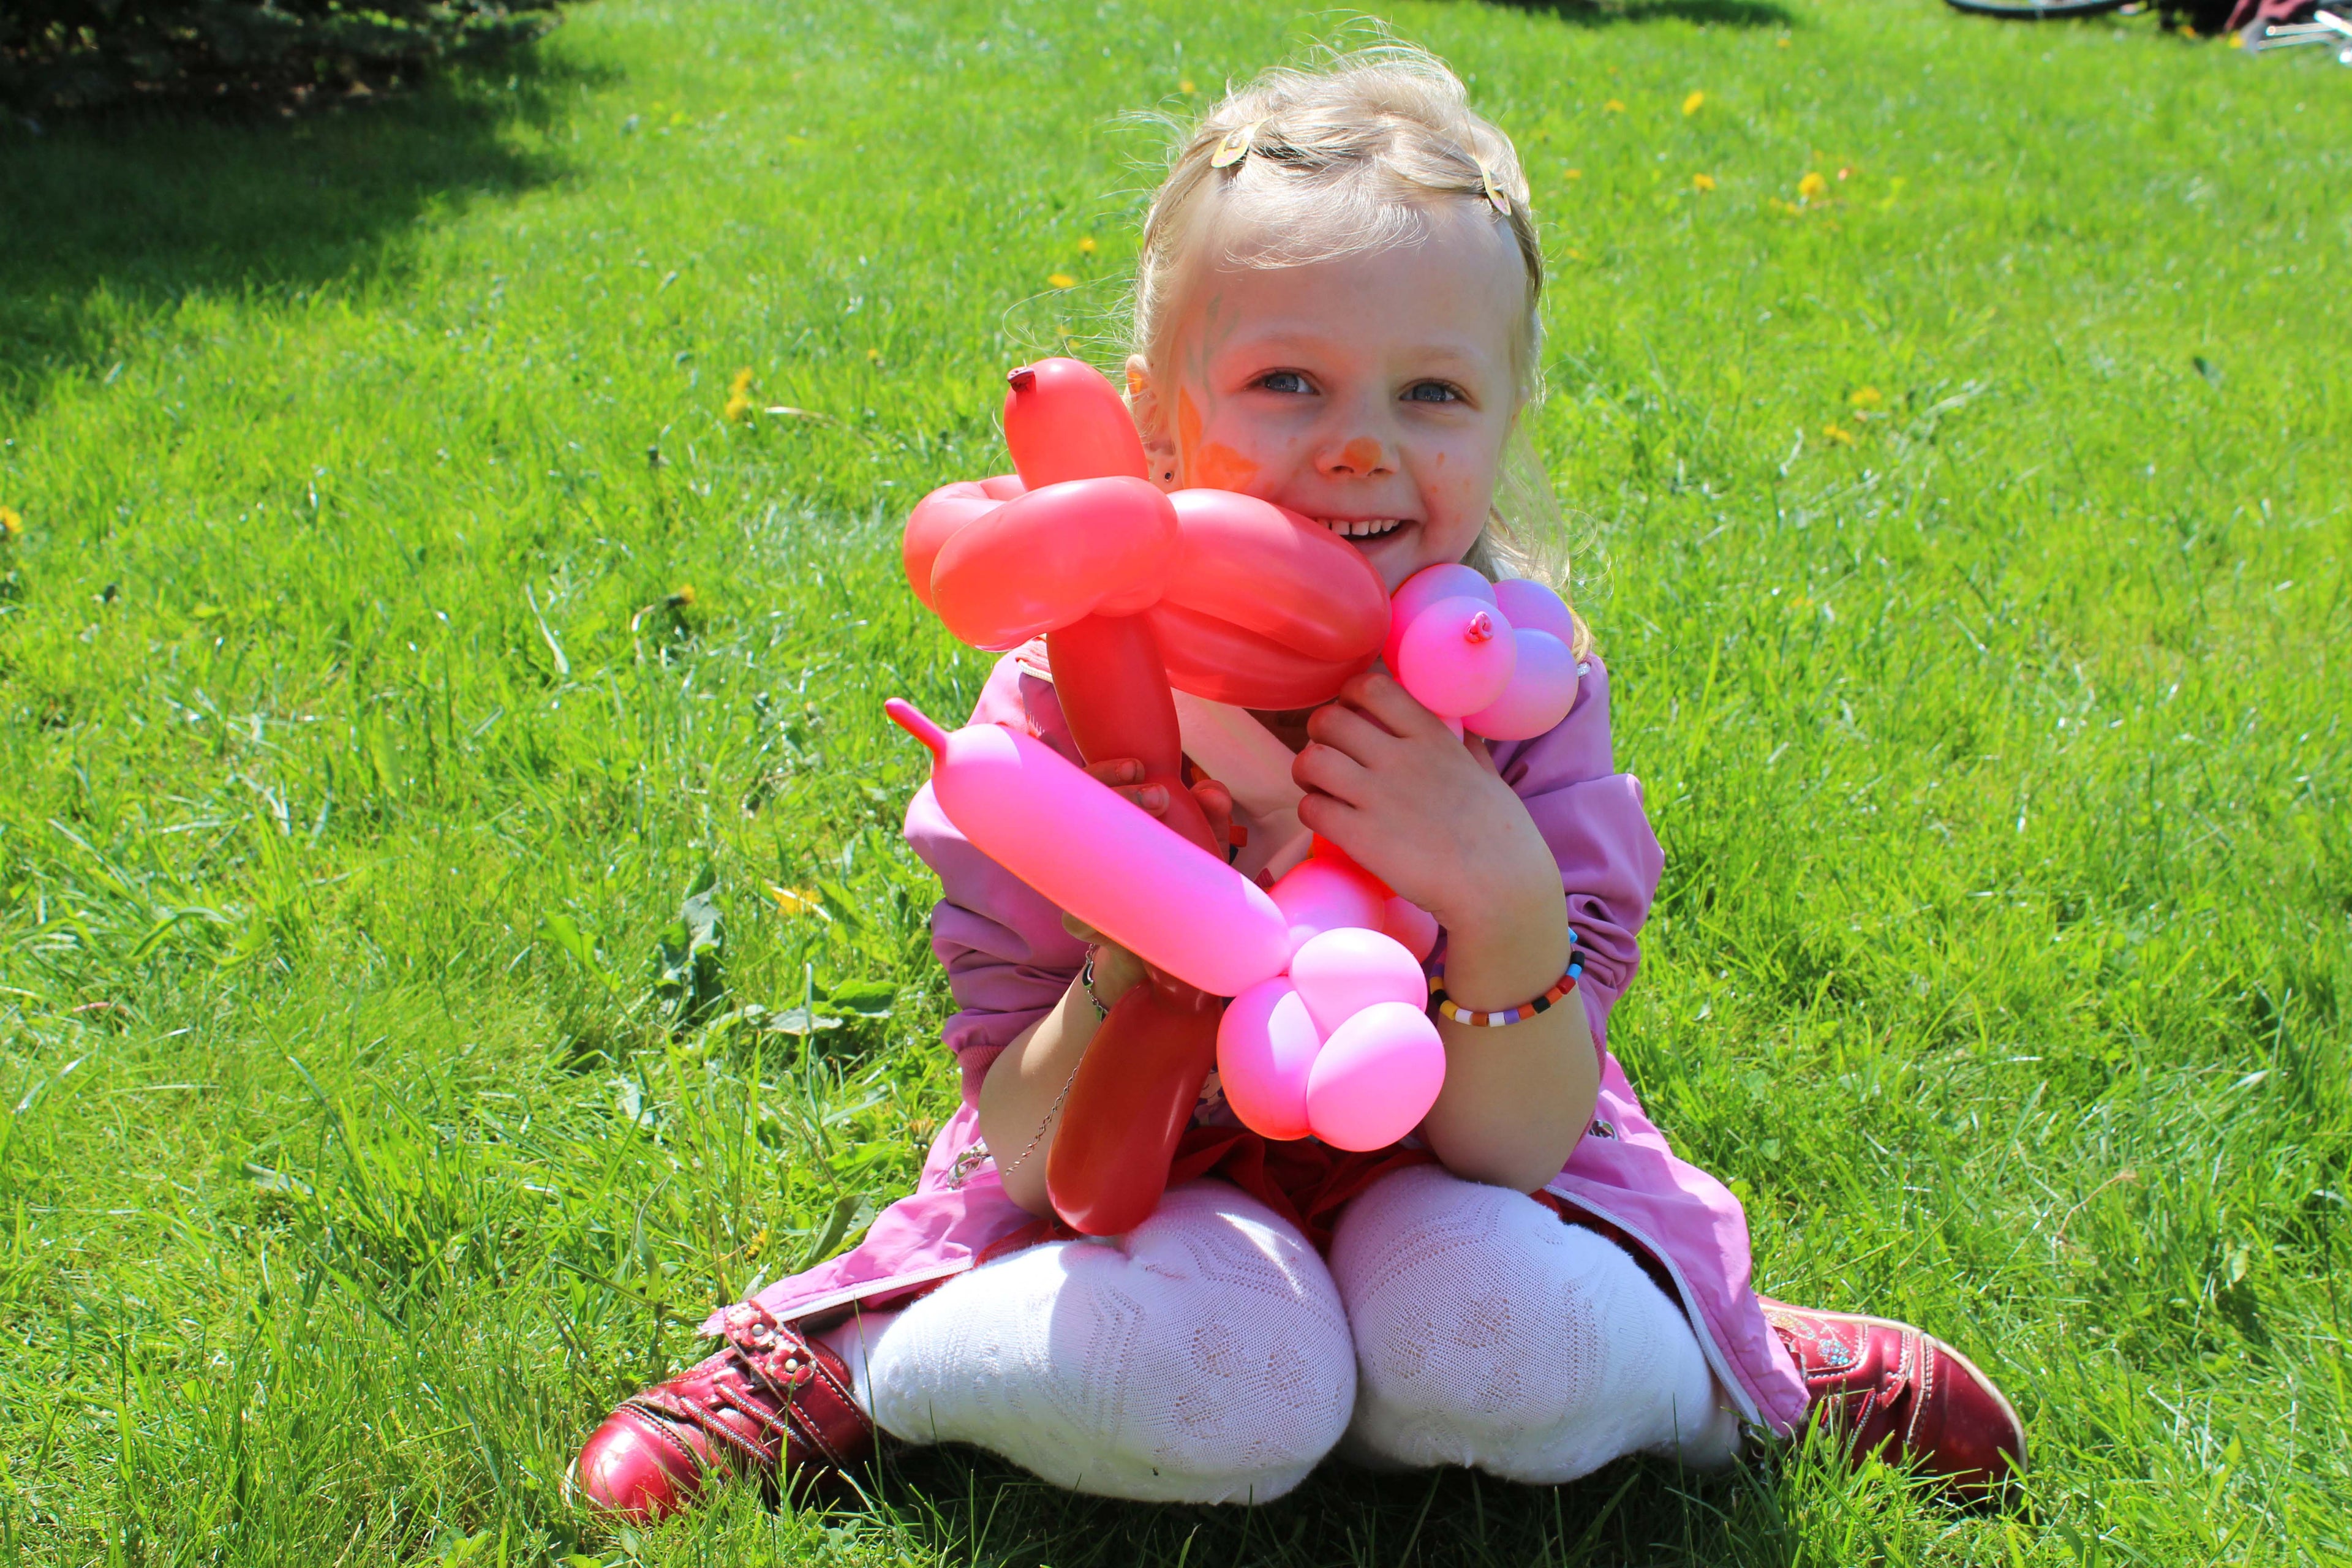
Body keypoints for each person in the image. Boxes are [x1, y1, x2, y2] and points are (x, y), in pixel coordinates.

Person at [573, 43, 2026, 1520]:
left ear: (1509, 410)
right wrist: (1135, 965)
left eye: (1434, 392)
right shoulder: (1063, 707)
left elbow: (1516, 1138)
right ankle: (873, 1366)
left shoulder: (1518, 696)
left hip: (1464, 1179)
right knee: (1233, 1382)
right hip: (1150, 1202)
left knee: (1493, 1334)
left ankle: (1727, 1376)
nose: (1360, 443)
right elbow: (1027, 1148)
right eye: (1287, 381)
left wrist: (1499, 883)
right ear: (1154, 420)